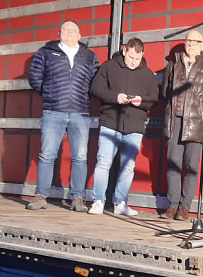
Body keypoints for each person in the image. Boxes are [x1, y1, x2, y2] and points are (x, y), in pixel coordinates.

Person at [26, 20, 99, 212]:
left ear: (79, 35)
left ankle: (78, 198)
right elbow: (34, 76)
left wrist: (82, 97)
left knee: (80, 157)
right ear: (59, 33)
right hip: (53, 111)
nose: (69, 32)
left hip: (80, 113)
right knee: (47, 155)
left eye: (73, 30)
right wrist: (50, 93)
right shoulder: (45, 53)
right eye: (65, 29)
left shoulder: (89, 56)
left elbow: (96, 81)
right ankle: (40, 196)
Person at [87, 38, 159, 216]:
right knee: (104, 163)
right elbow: (95, 88)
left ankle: (120, 203)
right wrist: (114, 97)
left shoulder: (148, 74)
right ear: (125, 51)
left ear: (142, 55)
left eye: (138, 58)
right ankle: (98, 201)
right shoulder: (109, 66)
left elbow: (154, 98)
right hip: (110, 122)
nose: (134, 62)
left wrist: (141, 101)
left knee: (128, 167)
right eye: (131, 57)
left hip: (134, 126)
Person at [159, 30, 203, 220]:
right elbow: (164, 94)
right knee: (173, 165)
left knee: (192, 166)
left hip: (197, 123)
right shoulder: (173, 66)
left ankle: (184, 207)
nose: (191, 44)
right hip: (175, 121)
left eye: (195, 42)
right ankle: (172, 205)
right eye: (188, 41)